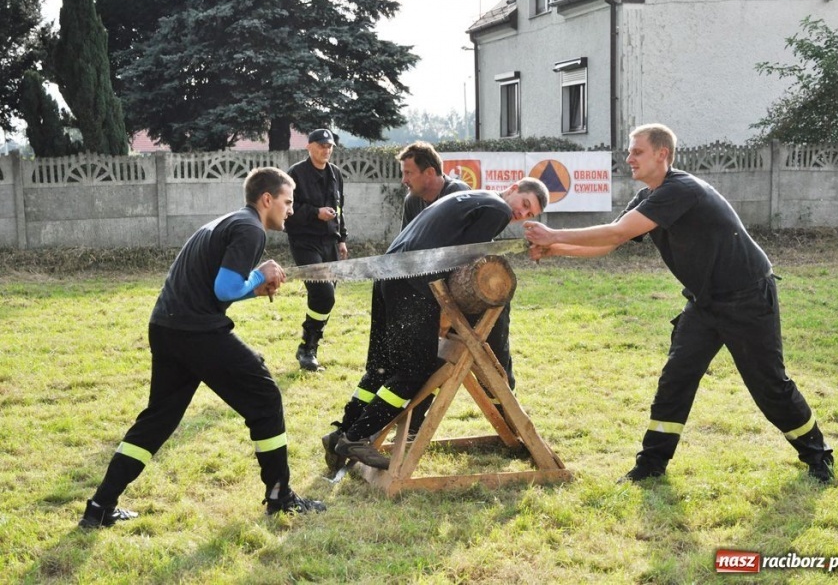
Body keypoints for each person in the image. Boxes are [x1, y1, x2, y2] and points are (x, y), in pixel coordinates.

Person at [523, 123, 835, 484]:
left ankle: (819, 455)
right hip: (705, 303)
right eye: (629, 151)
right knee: (676, 379)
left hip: (748, 297)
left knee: (770, 386)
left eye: (636, 151)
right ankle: (650, 466)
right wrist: (554, 249)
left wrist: (554, 234)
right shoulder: (648, 198)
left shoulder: (681, 189)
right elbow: (611, 243)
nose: (629, 158)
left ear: (662, 154)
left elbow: (617, 232)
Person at [79, 167, 325, 528]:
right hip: (195, 332)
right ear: (267, 199)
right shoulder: (250, 229)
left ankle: (99, 508)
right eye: (287, 202)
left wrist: (253, 287)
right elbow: (224, 290)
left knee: (157, 420)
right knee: (266, 397)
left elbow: (215, 289)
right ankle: (280, 497)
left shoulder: (229, 222)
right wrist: (261, 273)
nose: (291, 210)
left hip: (167, 326)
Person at [322, 179, 550, 471]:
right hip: (413, 284)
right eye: (526, 204)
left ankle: (342, 432)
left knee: (382, 366)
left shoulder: (470, 196)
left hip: (388, 275)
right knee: (415, 369)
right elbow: (467, 262)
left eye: (530, 215)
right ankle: (357, 437)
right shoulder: (498, 209)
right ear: (515, 187)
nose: (522, 214)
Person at [395, 141, 516, 435]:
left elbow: (468, 259)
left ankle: (511, 421)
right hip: (433, 289)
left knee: (493, 355)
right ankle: (414, 423)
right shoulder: (413, 201)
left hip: (474, 293)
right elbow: (411, 253)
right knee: (426, 353)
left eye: (409, 172)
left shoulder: (460, 195)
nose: (404, 180)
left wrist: (447, 310)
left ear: (430, 172)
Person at [285, 128, 347, 371]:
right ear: (309, 147)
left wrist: (342, 239)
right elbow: (288, 210)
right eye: (321, 145)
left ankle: (310, 347)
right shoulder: (295, 174)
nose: (326, 150)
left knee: (326, 298)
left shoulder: (336, 174)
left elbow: (340, 209)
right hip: (304, 241)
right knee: (323, 294)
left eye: (329, 146)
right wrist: (315, 213)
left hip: (330, 241)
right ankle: (307, 348)